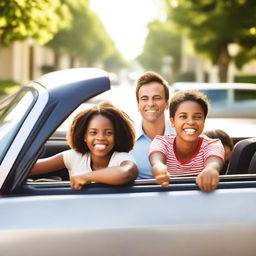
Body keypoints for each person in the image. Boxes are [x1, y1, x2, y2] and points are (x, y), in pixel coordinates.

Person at [31, 101, 138, 190]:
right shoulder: (74, 156)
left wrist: (86, 177)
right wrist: (55, 185)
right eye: (93, 132)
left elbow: (127, 173)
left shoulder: (121, 158)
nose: (100, 138)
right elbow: (29, 168)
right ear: (84, 136)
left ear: (117, 136)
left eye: (108, 133)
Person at [149, 90, 225, 192]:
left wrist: (211, 169)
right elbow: (156, 159)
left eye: (197, 117)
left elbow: (214, 162)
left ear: (204, 121)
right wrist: (158, 166)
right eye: (183, 117)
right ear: (172, 121)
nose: (190, 122)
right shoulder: (161, 142)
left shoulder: (212, 144)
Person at [130, 71, 175, 179]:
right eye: (144, 99)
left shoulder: (182, 136)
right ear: (138, 105)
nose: (150, 103)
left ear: (167, 103)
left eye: (157, 98)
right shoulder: (126, 140)